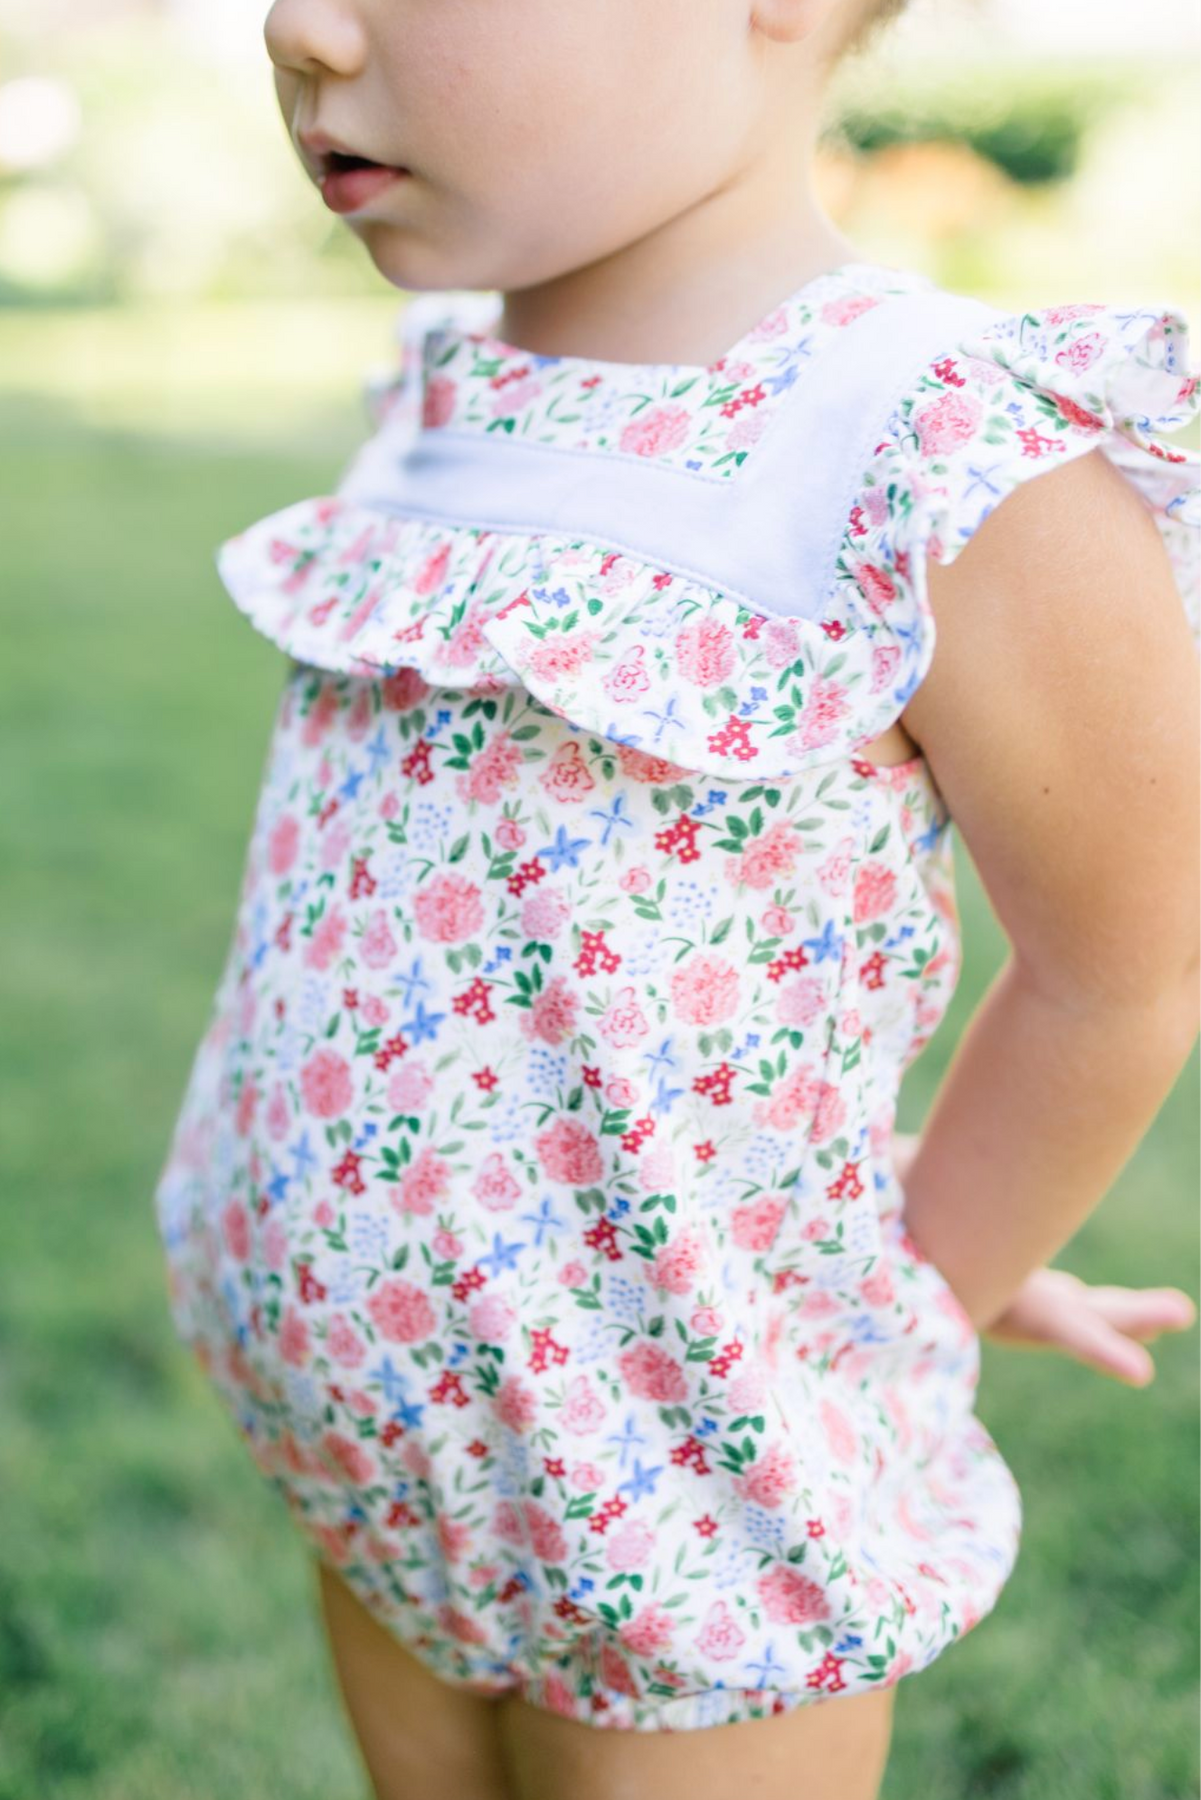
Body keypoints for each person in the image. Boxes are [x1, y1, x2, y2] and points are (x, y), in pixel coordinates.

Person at [151, 1, 1200, 1795]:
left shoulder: (935, 441)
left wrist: (903, 1293)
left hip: (688, 1502)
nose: (297, 25)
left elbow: (1121, 970)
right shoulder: (440, 390)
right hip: (380, 1468)